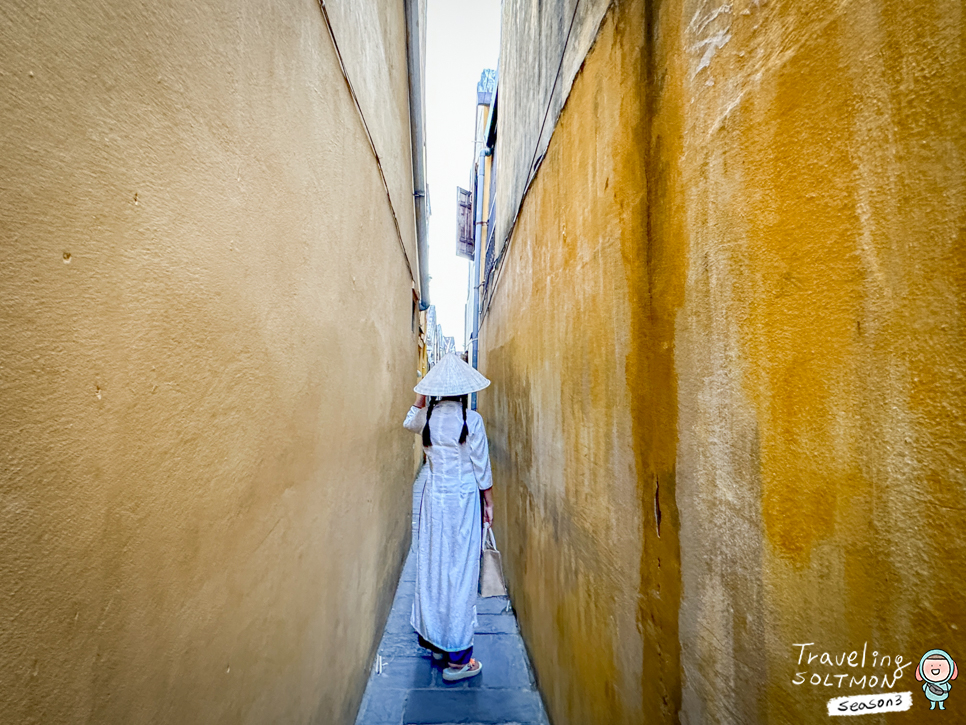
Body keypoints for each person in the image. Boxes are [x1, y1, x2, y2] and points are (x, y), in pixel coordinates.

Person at [403, 353, 494, 682]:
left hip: (434, 502)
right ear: (463, 390)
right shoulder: (472, 420)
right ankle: (458, 661)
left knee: (434, 566)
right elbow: (482, 470)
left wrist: (422, 391)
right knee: (461, 570)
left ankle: (437, 644)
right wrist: (489, 505)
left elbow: (409, 420)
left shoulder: (427, 418)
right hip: (464, 502)